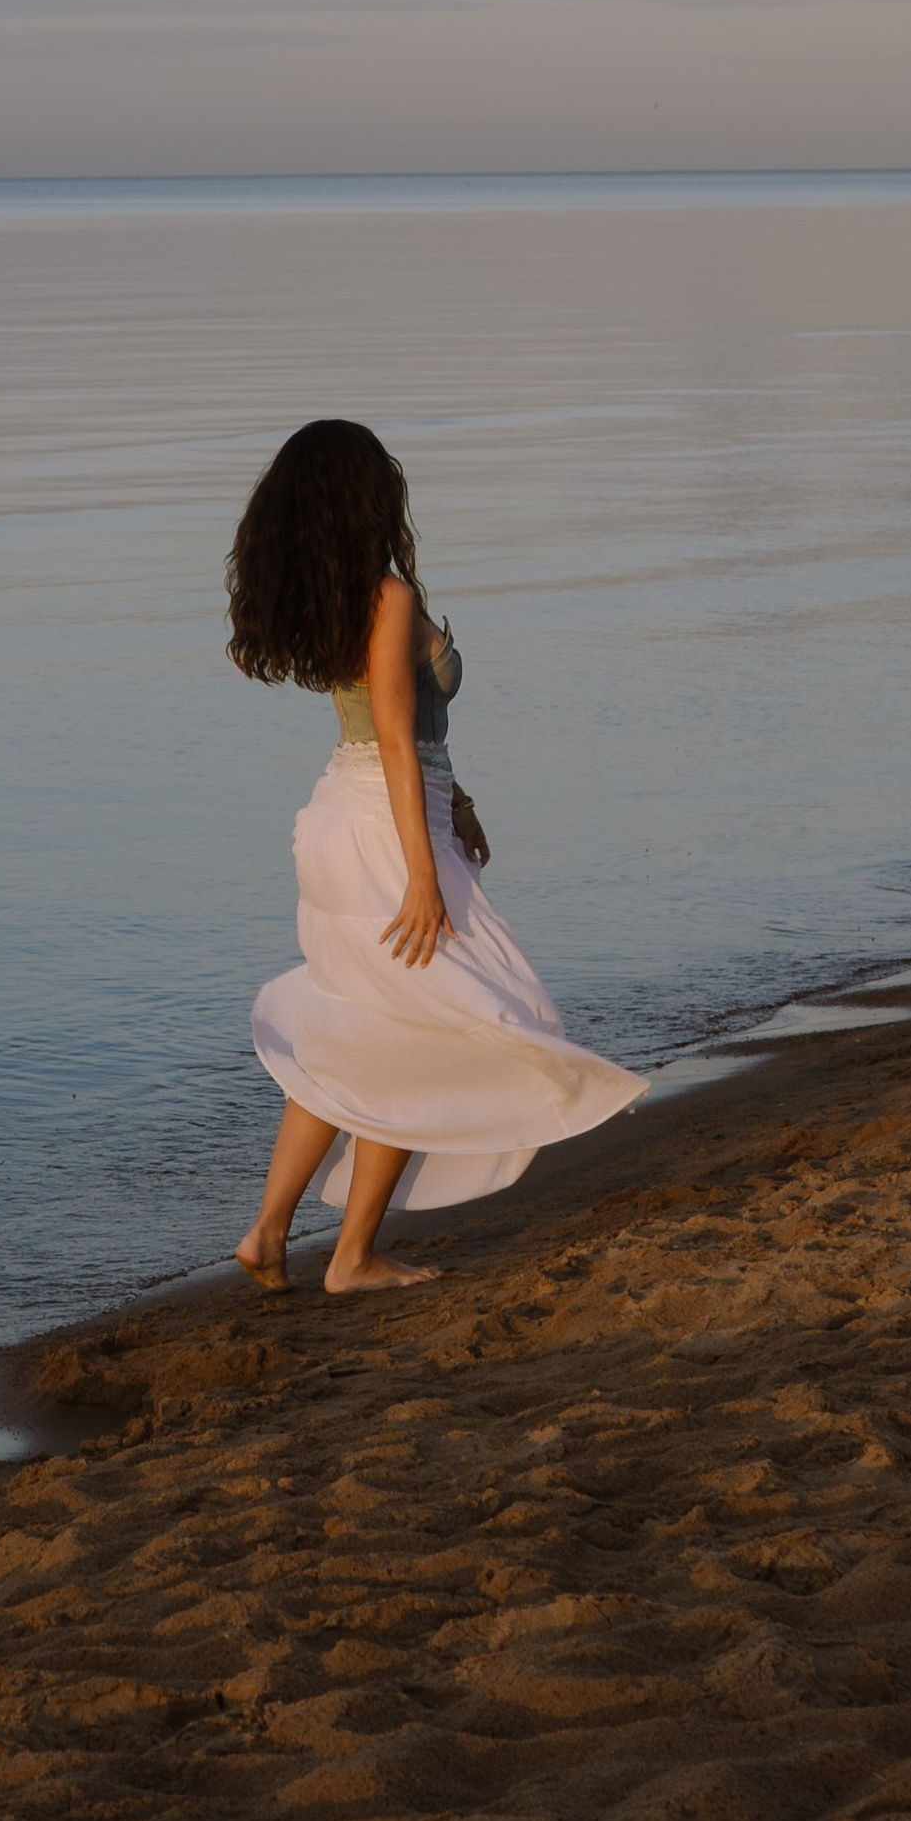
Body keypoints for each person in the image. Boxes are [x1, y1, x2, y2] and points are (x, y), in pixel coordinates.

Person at [226, 416, 646, 1295]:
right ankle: (352, 1257)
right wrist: (425, 872)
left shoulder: (338, 595)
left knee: (358, 1029)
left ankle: (268, 1236)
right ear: (363, 496)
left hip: (338, 823)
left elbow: (404, 730)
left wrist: (461, 805)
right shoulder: (384, 596)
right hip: (385, 830)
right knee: (425, 1029)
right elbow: (394, 735)